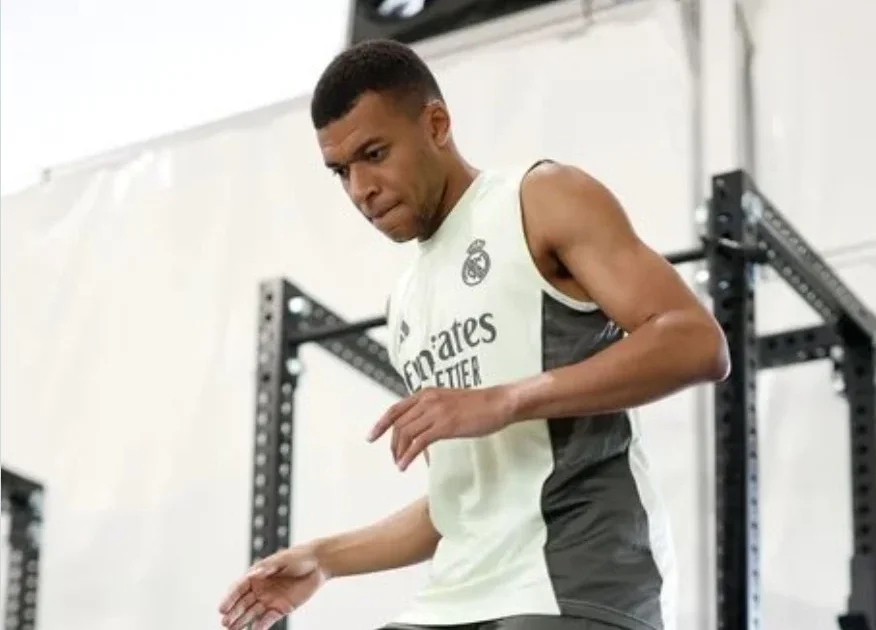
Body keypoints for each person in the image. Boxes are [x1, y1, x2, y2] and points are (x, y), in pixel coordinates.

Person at [218, 39, 730, 630]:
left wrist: (506, 399)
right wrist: (326, 558)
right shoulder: (406, 304)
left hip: (575, 581)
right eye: (342, 172)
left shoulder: (541, 198)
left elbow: (696, 342)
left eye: (374, 154)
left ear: (436, 124)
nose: (360, 189)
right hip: (458, 596)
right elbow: (460, 500)